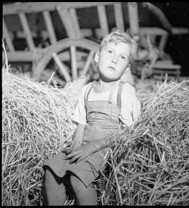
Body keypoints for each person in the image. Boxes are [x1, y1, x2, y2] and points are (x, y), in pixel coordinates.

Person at [43, 30, 141, 205]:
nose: (114, 59)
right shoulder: (87, 90)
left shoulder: (124, 91)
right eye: (110, 52)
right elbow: (81, 123)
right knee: (51, 170)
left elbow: (128, 131)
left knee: (78, 178)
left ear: (126, 69)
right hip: (85, 146)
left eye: (122, 58)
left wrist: (94, 146)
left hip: (107, 148)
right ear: (97, 57)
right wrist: (76, 143)